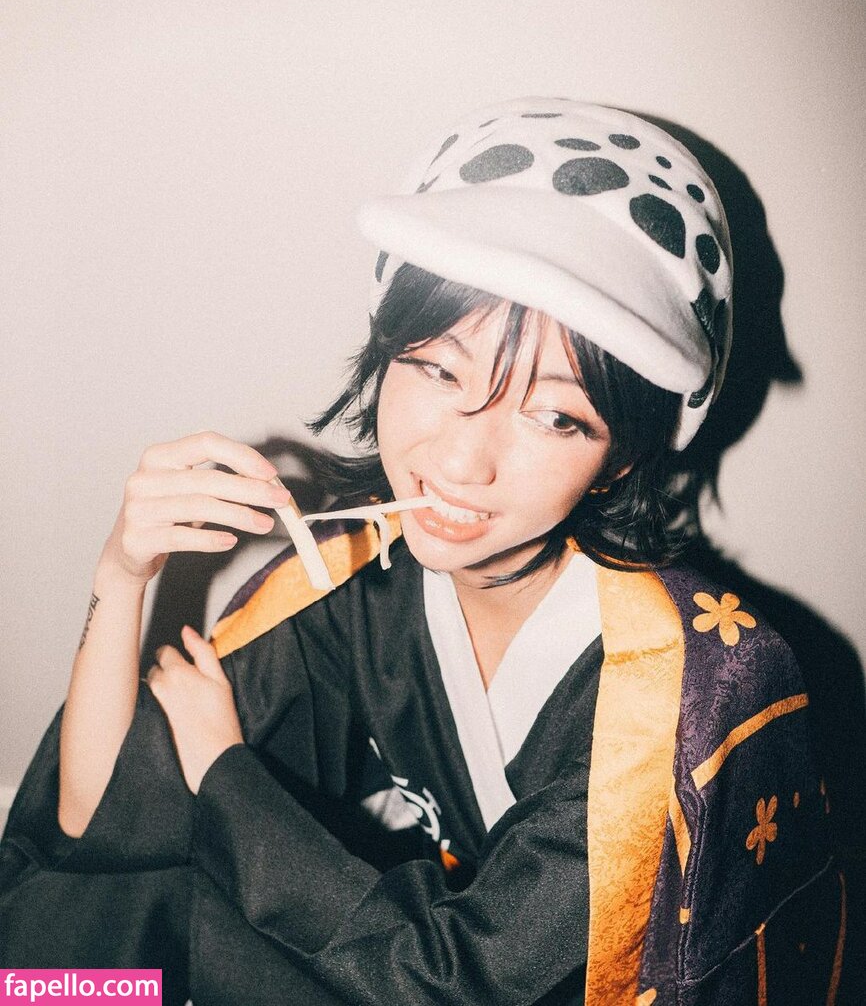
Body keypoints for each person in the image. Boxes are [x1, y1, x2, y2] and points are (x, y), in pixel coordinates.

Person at [0, 99, 846, 1004]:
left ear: (622, 458)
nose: (462, 461)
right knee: (76, 959)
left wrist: (223, 776)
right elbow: (102, 826)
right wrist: (123, 575)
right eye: (440, 370)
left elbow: (458, 984)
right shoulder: (367, 580)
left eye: (554, 416)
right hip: (398, 961)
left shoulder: (696, 693)